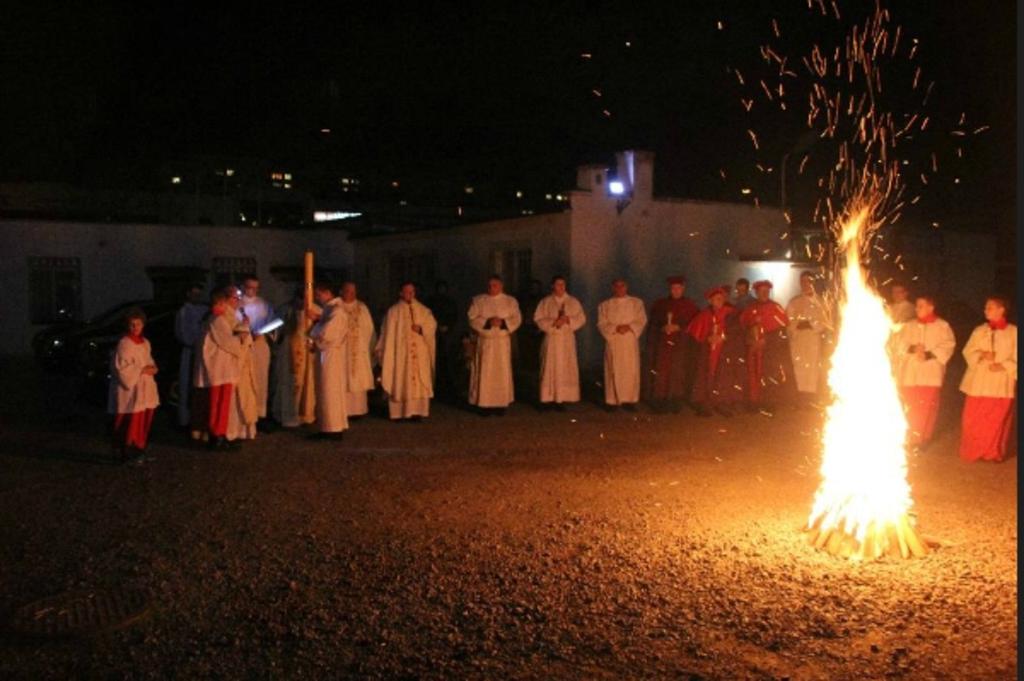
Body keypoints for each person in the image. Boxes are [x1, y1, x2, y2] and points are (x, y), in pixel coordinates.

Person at [891, 295, 956, 449]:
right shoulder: (909, 325)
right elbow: (897, 343)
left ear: (931, 307)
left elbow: (949, 345)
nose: (917, 308)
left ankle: (922, 438)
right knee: (909, 404)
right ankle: (907, 436)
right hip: (909, 373)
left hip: (930, 373)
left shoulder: (942, 326)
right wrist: (912, 348)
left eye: (921, 305)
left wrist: (930, 354)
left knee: (926, 406)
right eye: (917, 305)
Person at [959, 296, 1017, 462]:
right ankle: (974, 451)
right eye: (985, 308)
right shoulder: (979, 330)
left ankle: (993, 453)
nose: (985, 311)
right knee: (973, 418)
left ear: (1001, 310)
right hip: (979, 382)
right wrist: (981, 355)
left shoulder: (1014, 332)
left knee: (995, 420)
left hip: (1001, 383)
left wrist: (1004, 365)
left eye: (990, 308)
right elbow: (968, 351)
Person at [376, 282, 438, 421]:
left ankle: (417, 412)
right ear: (401, 293)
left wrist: (422, 329)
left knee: (419, 381)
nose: (410, 294)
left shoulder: (423, 310)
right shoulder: (393, 312)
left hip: (419, 352)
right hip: (401, 354)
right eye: (407, 292)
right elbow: (387, 333)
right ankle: (400, 413)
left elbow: (432, 325)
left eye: (412, 292)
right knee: (401, 379)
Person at [195, 287, 246, 450]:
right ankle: (217, 436)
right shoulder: (217, 320)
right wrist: (241, 336)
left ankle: (219, 434)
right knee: (219, 404)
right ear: (219, 304)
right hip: (219, 369)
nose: (226, 308)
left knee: (220, 404)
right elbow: (228, 342)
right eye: (224, 304)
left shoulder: (212, 319)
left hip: (220, 369)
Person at [108, 307, 160, 462]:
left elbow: (148, 359)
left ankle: (139, 447)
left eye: (138, 324)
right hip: (131, 389)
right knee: (130, 420)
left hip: (144, 386)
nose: (135, 328)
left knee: (143, 419)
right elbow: (122, 368)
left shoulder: (145, 343)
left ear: (143, 325)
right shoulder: (125, 343)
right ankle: (127, 451)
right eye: (132, 324)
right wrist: (142, 369)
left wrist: (152, 367)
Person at [687, 286, 747, 416]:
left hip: (725, 351)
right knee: (706, 375)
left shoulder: (731, 313)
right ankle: (706, 404)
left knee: (725, 377)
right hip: (708, 352)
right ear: (710, 301)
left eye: (721, 298)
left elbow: (737, 331)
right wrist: (707, 338)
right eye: (716, 299)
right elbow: (697, 333)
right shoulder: (704, 315)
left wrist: (723, 337)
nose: (719, 301)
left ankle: (723, 403)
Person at [467, 275, 522, 415]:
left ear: (501, 286)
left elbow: (517, 318)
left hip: (502, 343)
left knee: (501, 372)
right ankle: (484, 404)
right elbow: (471, 317)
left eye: (495, 285)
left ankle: (500, 405)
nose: (492, 288)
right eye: (490, 285)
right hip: (486, 342)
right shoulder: (479, 300)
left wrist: (503, 323)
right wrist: (487, 322)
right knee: (485, 373)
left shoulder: (510, 301)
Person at [740, 280, 797, 414]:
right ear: (756, 292)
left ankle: (769, 403)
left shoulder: (775, 307)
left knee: (769, 376)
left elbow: (782, 329)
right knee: (753, 376)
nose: (764, 293)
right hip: (754, 350)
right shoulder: (750, 308)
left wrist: (767, 340)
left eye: (767, 291)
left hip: (770, 349)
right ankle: (753, 403)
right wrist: (751, 338)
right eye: (761, 291)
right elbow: (744, 325)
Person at [645, 275, 699, 412]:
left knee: (678, 371)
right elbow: (653, 323)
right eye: (673, 288)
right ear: (670, 289)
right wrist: (662, 327)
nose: (676, 291)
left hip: (681, 344)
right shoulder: (660, 304)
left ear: (683, 289)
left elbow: (695, 323)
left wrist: (679, 327)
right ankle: (660, 400)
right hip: (663, 344)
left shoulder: (690, 305)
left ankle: (675, 400)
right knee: (662, 371)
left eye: (678, 288)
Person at [533, 275, 587, 409]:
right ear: (552, 286)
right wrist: (553, 322)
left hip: (566, 338)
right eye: (558, 284)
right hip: (552, 338)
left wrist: (568, 320)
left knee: (565, 367)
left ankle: (563, 398)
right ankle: (548, 398)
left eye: (563, 284)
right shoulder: (545, 302)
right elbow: (538, 319)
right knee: (550, 366)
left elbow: (581, 318)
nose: (561, 287)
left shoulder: (573, 302)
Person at [596, 278, 648, 410]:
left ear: (627, 287)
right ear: (613, 288)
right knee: (613, 369)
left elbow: (641, 320)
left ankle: (629, 401)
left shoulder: (636, 303)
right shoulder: (605, 305)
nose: (619, 288)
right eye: (617, 286)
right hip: (614, 341)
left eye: (622, 286)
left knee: (630, 371)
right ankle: (612, 401)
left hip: (629, 340)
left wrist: (629, 327)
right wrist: (615, 328)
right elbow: (601, 323)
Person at [308, 282, 349, 439]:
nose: (318, 298)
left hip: (331, 354)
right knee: (325, 390)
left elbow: (327, 333)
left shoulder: (337, 310)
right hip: (326, 353)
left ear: (327, 292)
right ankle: (327, 426)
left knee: (329, 390)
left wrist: (315, 329)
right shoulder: (330, 308)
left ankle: (332, 429)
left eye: (319, 294)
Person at [271, 289, 317, 428]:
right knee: (288, 383)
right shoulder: (285, 310)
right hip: (287, 353)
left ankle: (305, 415)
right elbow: (274, 331)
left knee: (307, 383)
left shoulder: (314, 310)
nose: (302, 303)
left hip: (307, 352)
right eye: (300, 299)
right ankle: (287, 416)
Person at [786, 271, 830, 405]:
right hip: (798, 341)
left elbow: (825, 322)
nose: (806, 284)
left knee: (813, 369)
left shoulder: (821, 302)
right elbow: (788, 321)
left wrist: (811, 324)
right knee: (799, 368)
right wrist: (797, 325)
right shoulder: (794, 301)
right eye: (803, 281)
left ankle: (812, 399)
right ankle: (801, 399)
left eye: (808, 281)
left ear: (813, 283)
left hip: (813, 341)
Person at [239, 276, 275, 429]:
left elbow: (273, 323)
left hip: (260, 346)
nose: (252, 290)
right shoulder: (236, 304)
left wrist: (262, 332)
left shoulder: (264, 304)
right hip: (242, 346)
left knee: (261, 380)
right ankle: (244, 414)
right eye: (249, 287)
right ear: (243, 286)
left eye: (255, 288)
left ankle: (260, 414)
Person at [339, 282, 376, 418]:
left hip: (359, 351)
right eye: (348, 291)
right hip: (342, 350)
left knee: (358, 378)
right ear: (342, 291)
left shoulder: (362, 308)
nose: (352, 294)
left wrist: (369, 347)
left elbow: (369, 329)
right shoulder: (337, 306)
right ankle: (342, 409)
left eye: (354, 291)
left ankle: (358, 411)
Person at [173, 283, 207, 429]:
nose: (197, 297)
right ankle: (185, 420)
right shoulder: (183, 312)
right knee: (187, 386)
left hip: (203, 354)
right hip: (190, 353)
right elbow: (182, 333)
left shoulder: (205, 310)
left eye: (199, 294)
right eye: (194, 294)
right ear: (188, 294)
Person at [424, 280, 459, 401]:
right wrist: (436, 326)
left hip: (447, 335)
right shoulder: (430, 302)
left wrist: (447, 326)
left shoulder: (450, 302)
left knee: (447, 361)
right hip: (433, 334)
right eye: (440, 288)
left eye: (443, 288)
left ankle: (448, 388)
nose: (441, 290)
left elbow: (454, 316)